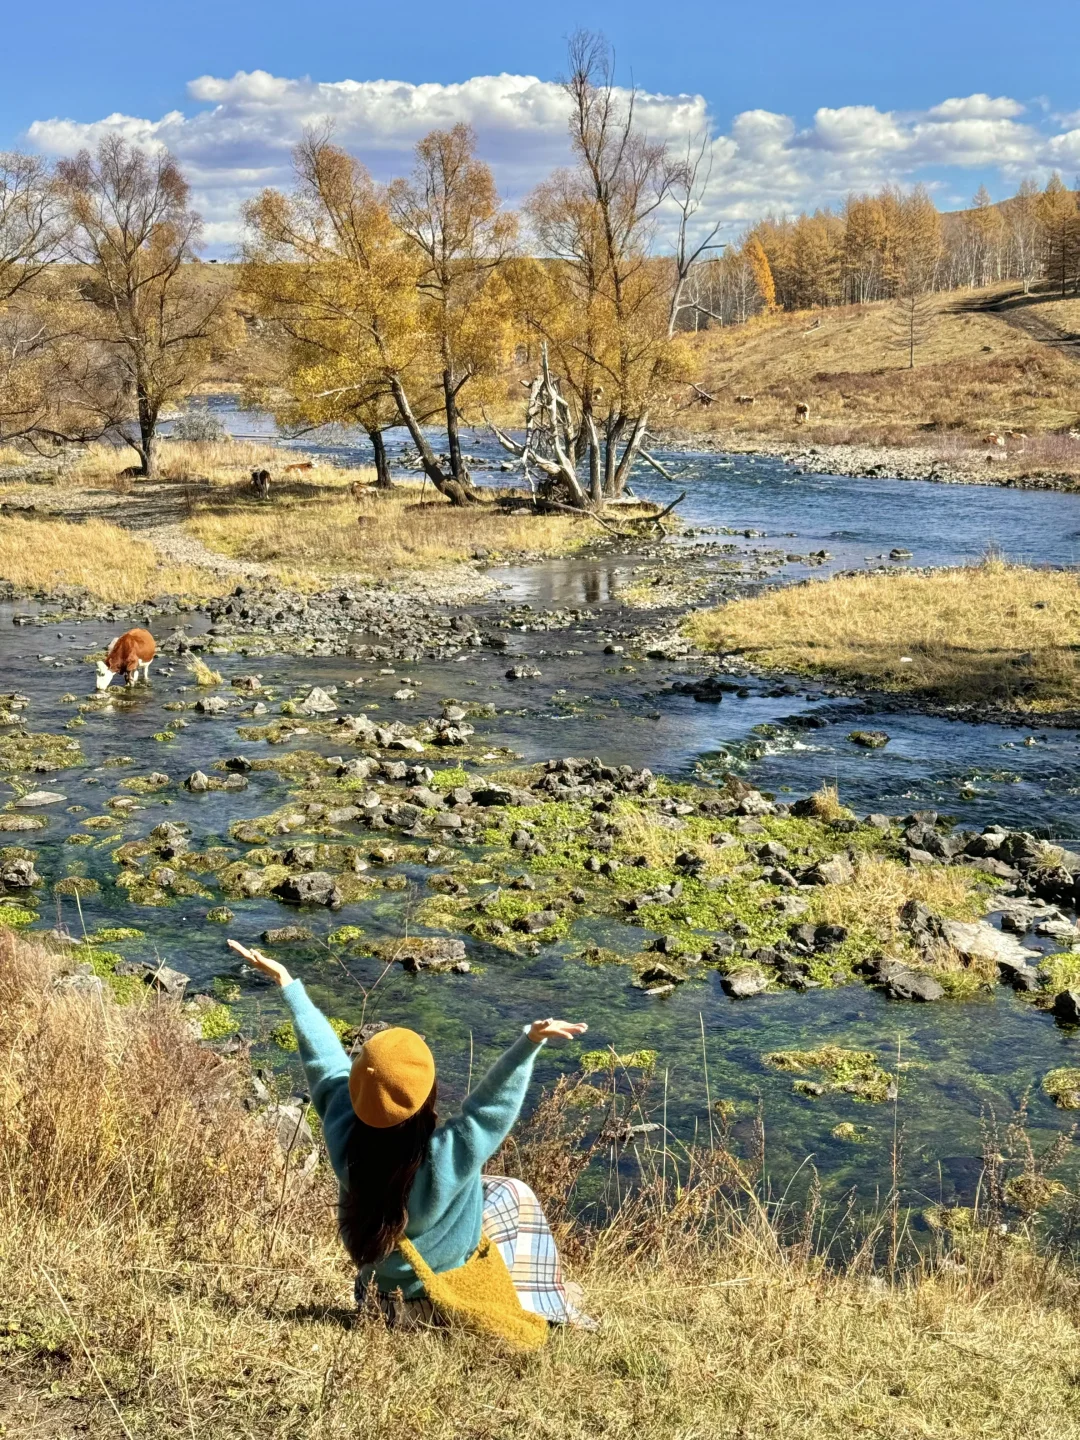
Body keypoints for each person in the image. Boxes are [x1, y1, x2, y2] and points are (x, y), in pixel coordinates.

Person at [228, 940, 590, 1345]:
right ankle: (553, 1304)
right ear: (426, 1097)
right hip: (440, 1305)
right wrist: (529, 1043)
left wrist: (288, 983)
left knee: (491, 1189)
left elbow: (325, 1062)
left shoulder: (343, 1133)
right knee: (513, 1194)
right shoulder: (444, 1159)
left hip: (377, 1302)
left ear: (357, 1088)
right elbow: (491, 1107)